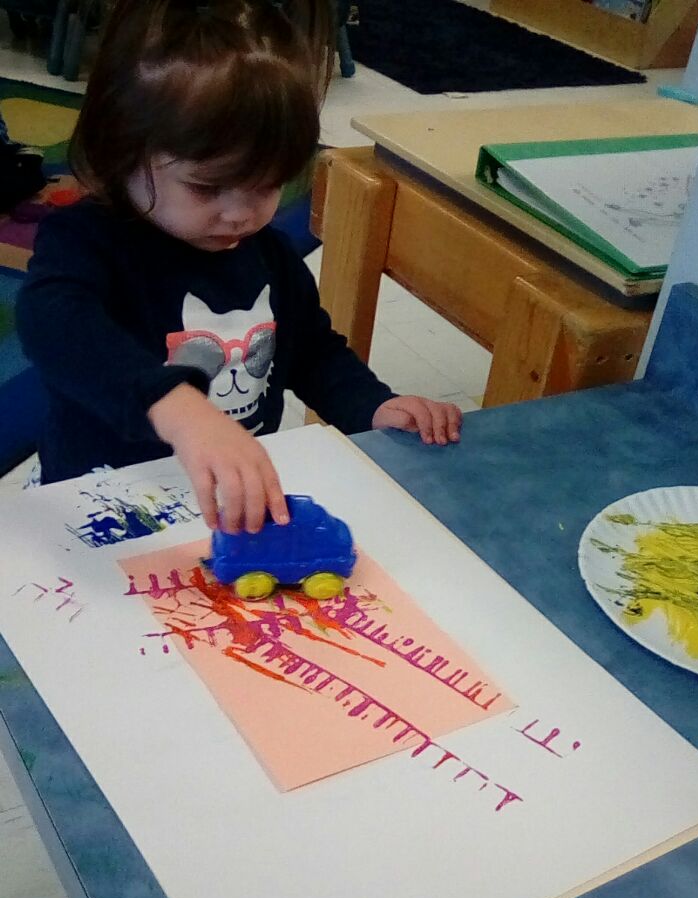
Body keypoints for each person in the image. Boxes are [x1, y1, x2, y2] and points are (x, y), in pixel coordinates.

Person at [17, 0, 462, 536]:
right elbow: (56, 324)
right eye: (208, 188)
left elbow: (313, 353)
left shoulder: (268, 254)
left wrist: (372, 407)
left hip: (223, 502)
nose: (242, 214)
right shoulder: (86, 241)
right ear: (122, 150)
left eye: (268, 185)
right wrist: (177, 408)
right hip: (98, 500)